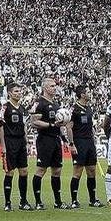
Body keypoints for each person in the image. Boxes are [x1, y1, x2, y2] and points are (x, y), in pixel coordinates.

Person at [31, 77, 67, 209]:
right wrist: (51, 125)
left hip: (56, 139)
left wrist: (64, 139)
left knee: (57, 170)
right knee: (41, 169)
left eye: (55, 86)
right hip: (44, 139)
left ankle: (58, 201)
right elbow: (34, 122)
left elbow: (60, 125)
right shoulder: (39, 103)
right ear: (45, 88)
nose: (54, 88)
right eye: (52, 86)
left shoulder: (57, 105)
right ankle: (38, 202)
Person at [0, 81, 30, 211]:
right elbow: (0, 127)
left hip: (21, 142)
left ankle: (23, 201)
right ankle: (7, 202)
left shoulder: (22, 108)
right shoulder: (5, 107)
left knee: (24, 171)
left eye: (20, 91)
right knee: (10, 172)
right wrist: (3, 146)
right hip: (10, 142)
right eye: (16, 91)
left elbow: (24, 126)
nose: (19, 93)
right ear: (9, 93)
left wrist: (26, 141)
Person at [67, 84, 102, 207]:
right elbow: (69, 127)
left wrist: (94, 137)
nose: (90, 94)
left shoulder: (89, 108)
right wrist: (71, 144)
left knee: (92, 171)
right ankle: (74, 200)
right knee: (77, 171)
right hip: (79, 142)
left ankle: (93, 200)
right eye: (88, 92)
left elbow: (90, 126)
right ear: (82, 94)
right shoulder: (74, 109)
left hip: (89, 142)